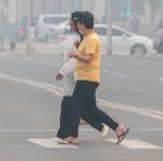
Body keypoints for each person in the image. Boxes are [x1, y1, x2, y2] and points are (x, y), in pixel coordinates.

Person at [63, 11, 130, 145]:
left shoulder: (92, 38)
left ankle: (73, 135)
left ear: (82, 24)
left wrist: (76, 55)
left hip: (87, 79)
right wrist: (77, 47)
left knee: (74, 105)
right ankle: (117, 127)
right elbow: (85, 53)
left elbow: (88, 58)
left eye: (78, 24)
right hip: (88, 78)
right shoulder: (87, 38)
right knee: (91, 108)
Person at [54, 12, 108, 143]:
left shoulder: (84, 39)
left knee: (76, 108)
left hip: (79, 77)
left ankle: (70, 135)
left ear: (80, 24)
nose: (70, 24)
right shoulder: (78, 38)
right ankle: (65, 134)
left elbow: (76, 60)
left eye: (72, 22)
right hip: (75, 78)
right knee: (73, 107)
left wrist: (63, 71)